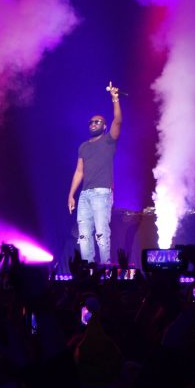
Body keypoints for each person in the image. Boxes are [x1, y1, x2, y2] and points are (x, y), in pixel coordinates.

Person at [68, 83, 122, 263]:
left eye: (97, 122)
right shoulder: (83, 146)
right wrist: (71, 195)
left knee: (101, 234)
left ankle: (106, 270)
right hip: (84, 195)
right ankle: (88, 271)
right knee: (83, 236)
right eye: (91, 122)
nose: (93, 124)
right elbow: (79, 171)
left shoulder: (109, 141)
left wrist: (115, 99)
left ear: (104, 126)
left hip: (102, 193)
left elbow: (118, 121)